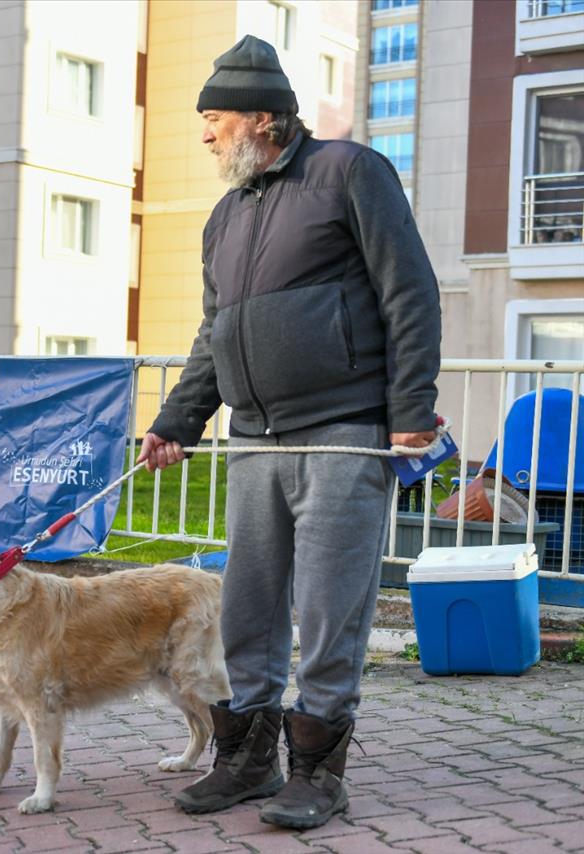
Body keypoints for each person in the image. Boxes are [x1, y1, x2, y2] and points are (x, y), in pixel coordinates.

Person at [138, 36, 440, 830]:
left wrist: (411, 409)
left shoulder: (349, 172)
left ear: (264, 118)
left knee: (332, 606)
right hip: (256, 440)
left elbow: (408, 291)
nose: (203, 134)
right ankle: (246, 761)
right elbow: (215, 334)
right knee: (247, 608)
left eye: (214, 117)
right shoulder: (224, 217)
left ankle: (319, 773)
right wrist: (177, 420)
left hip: (342, 433)